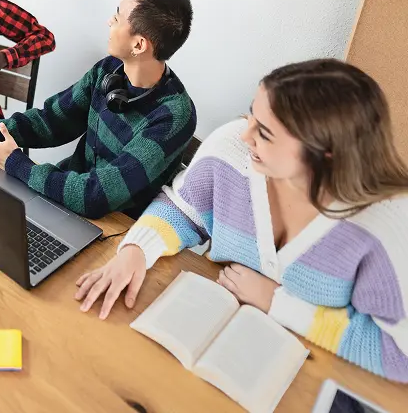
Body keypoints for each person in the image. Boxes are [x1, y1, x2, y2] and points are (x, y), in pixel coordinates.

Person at [75, 59, 408, 382]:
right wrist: (136, 249)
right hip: (204, 341)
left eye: (264, 132)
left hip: (302, 375)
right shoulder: (231, 149)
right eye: (252, 113)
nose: (244, 134)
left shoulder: (384, 227)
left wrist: (277, 302)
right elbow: (182, 210)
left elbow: (399, 354)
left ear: (324, 154)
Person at [0, 0, 196, 220]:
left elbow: (95, 196)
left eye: (117, 17)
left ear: (139, 45)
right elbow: (51, 120)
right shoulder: (108, 70)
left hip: (116, 228)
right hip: (62, 195)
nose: (110, 21)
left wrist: (16, 163)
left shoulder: (173, 116)